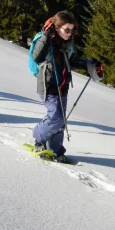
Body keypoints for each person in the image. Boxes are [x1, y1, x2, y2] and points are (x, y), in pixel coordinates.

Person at [30, 11, 103, 163]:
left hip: (63, 86)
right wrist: (46, 35)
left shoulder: (69, 43)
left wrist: (90, 65)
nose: (70, 33)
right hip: (48, 84)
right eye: (67, 30)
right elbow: (37, 57)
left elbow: (72, 61)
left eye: (72, 30)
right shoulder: (45, 39)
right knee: (56, 118)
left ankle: (56, 149)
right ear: (56, 28)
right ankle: (38, 137)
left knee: (60, 120)